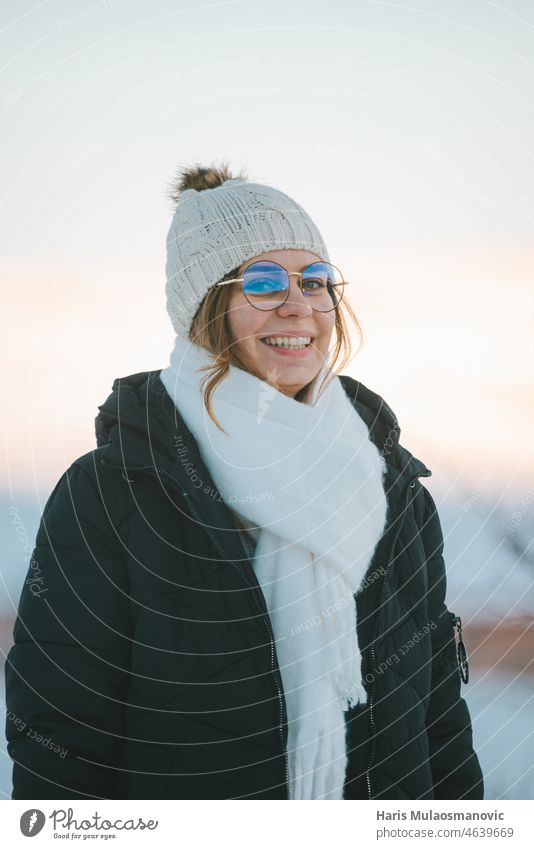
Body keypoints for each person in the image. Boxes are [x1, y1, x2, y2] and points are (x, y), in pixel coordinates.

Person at [5, 162, 484, 800]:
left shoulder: (393, 490)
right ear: (207, 309)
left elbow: (438, 718)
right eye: (262, 281)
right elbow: (60, 727)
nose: (298, 304)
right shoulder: (116, 490)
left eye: (316, 281)